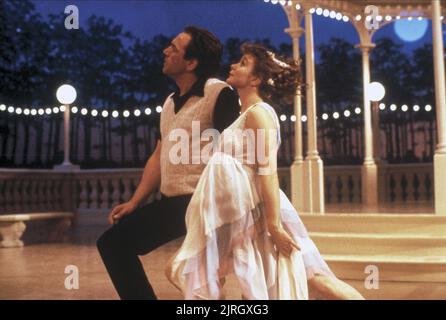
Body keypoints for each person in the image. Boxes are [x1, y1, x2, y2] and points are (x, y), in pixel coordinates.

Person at [166, 43, 365, 300]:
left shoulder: (259, 114)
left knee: (316, 280)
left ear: (256, 79)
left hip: (259, 214)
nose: (234, 65)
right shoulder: (245, 114)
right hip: (240, 214)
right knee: (198, 274)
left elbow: (268, 172)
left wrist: (273, 225)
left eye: (243, 63)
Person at [96, 26, 240, 300]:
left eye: (173, 47)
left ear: (191, 62)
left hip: (201, 202)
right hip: (174, 202)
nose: (165, 50)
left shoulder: (220, 93)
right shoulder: (170, 102)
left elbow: (233, 156)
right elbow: (158, 155)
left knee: (117, 246)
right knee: (113, 244)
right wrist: (135, 201)